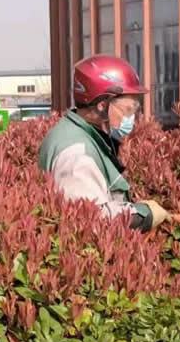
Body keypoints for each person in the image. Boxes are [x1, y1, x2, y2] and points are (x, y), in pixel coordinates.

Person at [38, 54, 170, 231]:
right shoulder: (77, 155)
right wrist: (144, 214)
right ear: (102, 105)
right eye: (128, 109)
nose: (132, 117)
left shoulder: (79, 134)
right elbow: (92, 217)